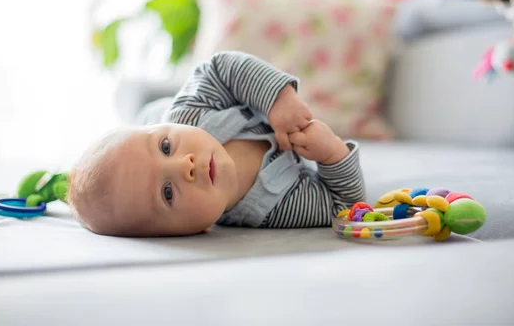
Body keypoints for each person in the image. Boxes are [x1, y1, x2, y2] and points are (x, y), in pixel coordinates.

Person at [67, 51, 366, 237]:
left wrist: (279, 100)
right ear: (191, 231)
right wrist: (332, 154)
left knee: (147, 111)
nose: (185, 165)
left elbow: (220, 69)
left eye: (166, 148)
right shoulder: (273, 210)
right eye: (168, 193)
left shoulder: (190, 115)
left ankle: (142, 109)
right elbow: (344, 205)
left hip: (159, 112)